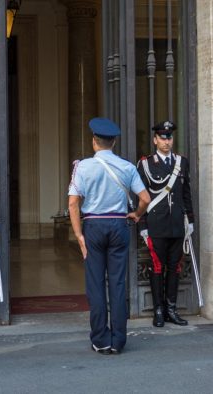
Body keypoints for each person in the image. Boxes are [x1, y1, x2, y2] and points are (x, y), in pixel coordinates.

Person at [68, 117, 151, 355]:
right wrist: (136, 213)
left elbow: (73, 204)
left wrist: (78, 235)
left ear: (94, 142)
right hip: (118, 224)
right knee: (117, 283)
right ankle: (118, 340)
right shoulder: (127, 167)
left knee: (95, 284)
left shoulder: (82, 167)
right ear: (113, 142)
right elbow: (145, 198)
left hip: (93, 225)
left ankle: (101, 340)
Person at [137, 121, 194, 327]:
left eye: (169, 137)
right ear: (155, 140)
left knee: (175, 267)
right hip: (156, 224)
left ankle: (171, 309)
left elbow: (186, 193)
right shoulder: (145, 164)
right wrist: (142, 225)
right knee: (157, 267)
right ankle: (158, 310)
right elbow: (141, 197)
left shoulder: (182, 162)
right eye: (162, 137)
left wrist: (191, 220)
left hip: (177, 224)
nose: (166, 141)